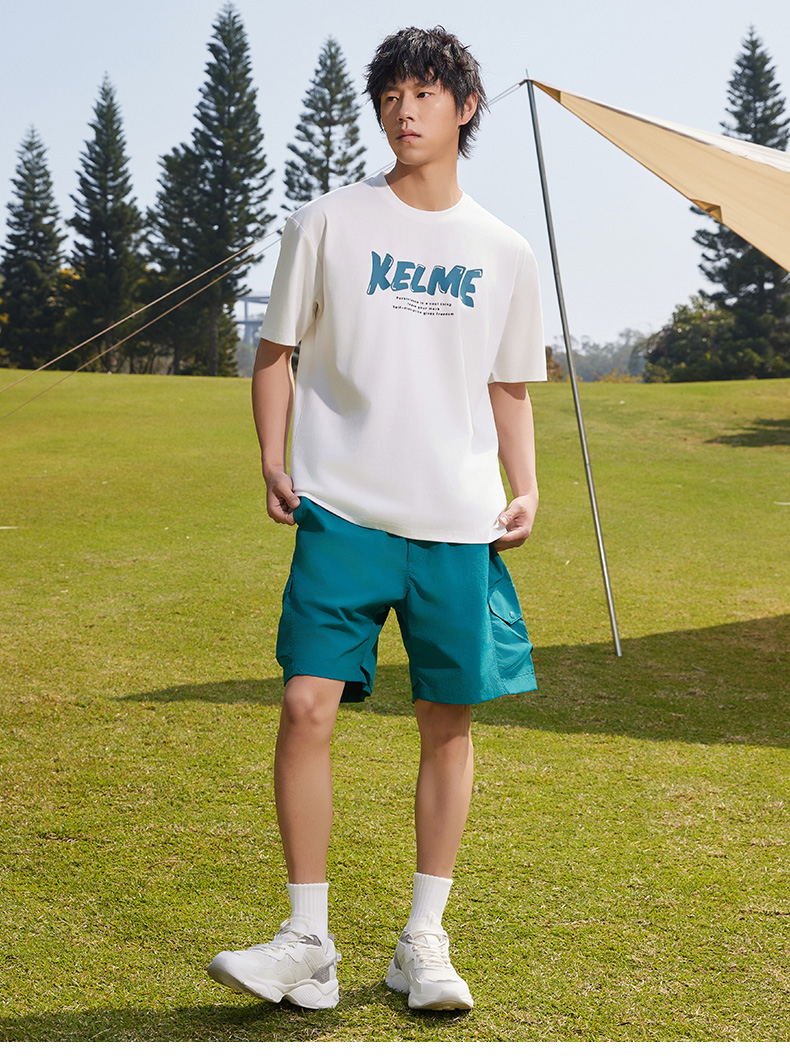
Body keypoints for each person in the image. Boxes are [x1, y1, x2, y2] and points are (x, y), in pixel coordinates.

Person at [207, 25, 546, 1012]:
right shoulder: (326, 221)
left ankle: (422, 939)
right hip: (342, 509)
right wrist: (272, 459)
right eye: (391, 95)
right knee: (306, 704)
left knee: (447, 722)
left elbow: (509, 385)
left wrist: (525, 485)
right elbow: (276, 352)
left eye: (425, 93)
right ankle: (306, 941)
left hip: (457, 521)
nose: (405, 110)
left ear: (465, 108)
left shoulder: (504, 250)